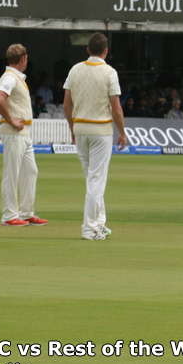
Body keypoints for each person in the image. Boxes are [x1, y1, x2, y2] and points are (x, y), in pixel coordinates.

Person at [63, 33, 126, 241]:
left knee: (93, 180)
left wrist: (73, 128)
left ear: (88, 50)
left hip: (80, 130)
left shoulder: (75, 69)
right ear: (105, 51)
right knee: (96, 180)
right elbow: (116, 109)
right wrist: (123, 132)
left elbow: (66, 105)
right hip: (101, 132)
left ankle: (99, 223)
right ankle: (89, 229)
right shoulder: (110, 72)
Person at [0, 44, 44, 227]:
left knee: (31, 172)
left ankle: (27, 213)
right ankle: (8, 216)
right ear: (24, 59)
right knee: (11, 174)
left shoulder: (16, 78)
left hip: (23, 133)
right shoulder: (9, 77)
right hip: (14, 131)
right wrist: (12, 120)